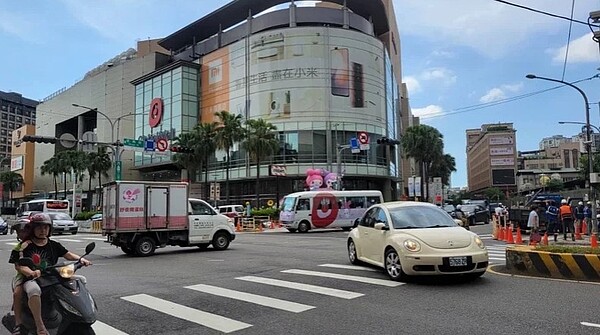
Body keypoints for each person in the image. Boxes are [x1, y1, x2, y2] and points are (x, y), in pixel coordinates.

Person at [8, 213, 91, 335]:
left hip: (52, 274)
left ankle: (78, 313)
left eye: (46, 227)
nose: (43, 230)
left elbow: (67, 254)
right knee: (33, 291)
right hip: (32, 278)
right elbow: (19, 265)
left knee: (81, 280)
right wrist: (31, 272)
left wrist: (80, 259)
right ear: (33, 229)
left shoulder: (53, 245)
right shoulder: (25, 246)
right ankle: (37, 325)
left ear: (50, 229)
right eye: (39, 228)